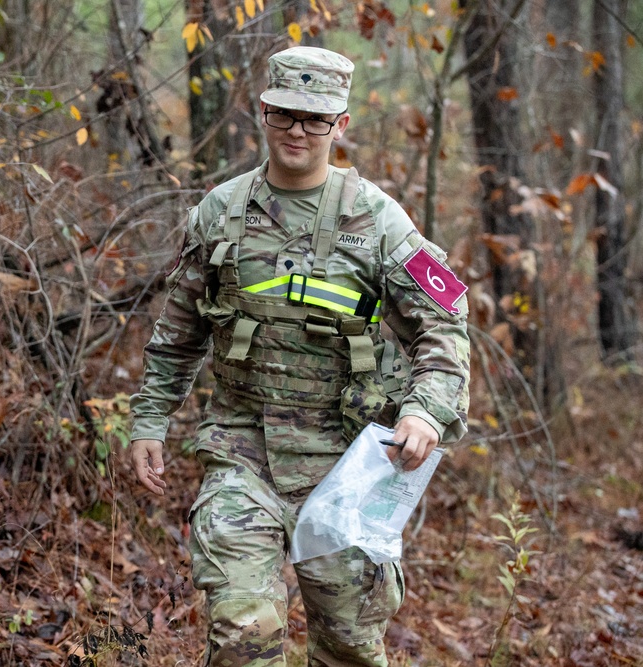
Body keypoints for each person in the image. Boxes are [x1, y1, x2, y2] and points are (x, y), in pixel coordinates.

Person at [128, 46, 471, 666]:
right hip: (242, 449)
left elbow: (445, 328)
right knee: (243, 633)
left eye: (315, 119)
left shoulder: (380, 222)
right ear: (263, 112)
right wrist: (150, 420)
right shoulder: (220, 212)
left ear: (341, 124)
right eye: (285, 114)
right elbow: (179, 328)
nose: (297, 131)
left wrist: (425, 412)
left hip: (347, 462)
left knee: (349, 646)